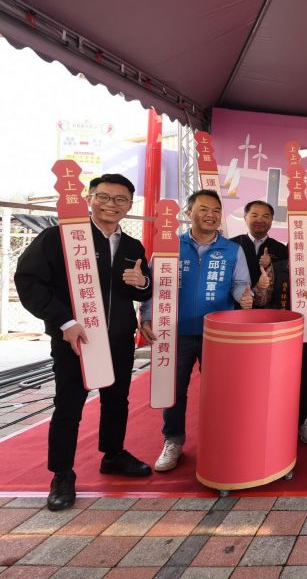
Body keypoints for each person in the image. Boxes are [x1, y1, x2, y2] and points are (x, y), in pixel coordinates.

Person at [15, 173, 153, 511]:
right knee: (69, 406)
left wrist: (142, 282)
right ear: (89, 199)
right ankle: (62, 473)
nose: (111, 205)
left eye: (120, 199)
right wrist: (64, 321)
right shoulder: (59, 238)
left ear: (129, 206)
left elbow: (143, 291)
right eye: (103, 197)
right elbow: (29, 281)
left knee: (117, 400)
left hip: (119, 338)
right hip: (75, 338)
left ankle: (113, 454)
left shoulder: (132, 246)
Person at [141, 189, 253, 472]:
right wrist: (147, 316)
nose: (211, 215)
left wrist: (244, 296)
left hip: (219, 334)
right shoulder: (169, 246)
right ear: (188, 212)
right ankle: (173, 440)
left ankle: (221, 439)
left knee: (220, 389)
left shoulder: (232, 250)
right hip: (175, 332)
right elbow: (154, 286)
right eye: (204, 209)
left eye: (216, 210)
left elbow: (240, 283)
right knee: (174, 389)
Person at [256, 227, 307, 443]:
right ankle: (277, 419)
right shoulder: (277, 268)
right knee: (277, 378)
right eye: (303, 241)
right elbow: (261, 301)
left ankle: (305, 419)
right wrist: (260, 287)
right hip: (279, 335)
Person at [231, 200, 288, 307]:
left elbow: (285, 280)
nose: (260, 220)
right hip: (236, 306)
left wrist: (272, 264)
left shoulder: (281, 249)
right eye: (254, 215)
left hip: (269, 309)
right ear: (245, 217)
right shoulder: (232, 244)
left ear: (271, 219)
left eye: (265, 216)